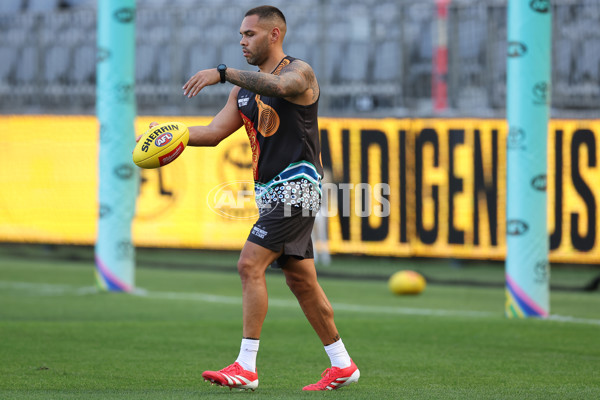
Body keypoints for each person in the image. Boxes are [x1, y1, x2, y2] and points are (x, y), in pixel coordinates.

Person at [171, 5, 359, 391]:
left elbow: (280, 88)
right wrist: (173, 134)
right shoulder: (243, 90)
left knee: (248, 265)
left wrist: (221, 73)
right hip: (271, 194)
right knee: (300, 280)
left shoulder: (299, 72)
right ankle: (342, 364)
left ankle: (246, 366)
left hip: (298, 187)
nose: (242, 41)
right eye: (240, 35)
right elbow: (212, 132)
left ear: (274, 35)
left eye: (249, 34)